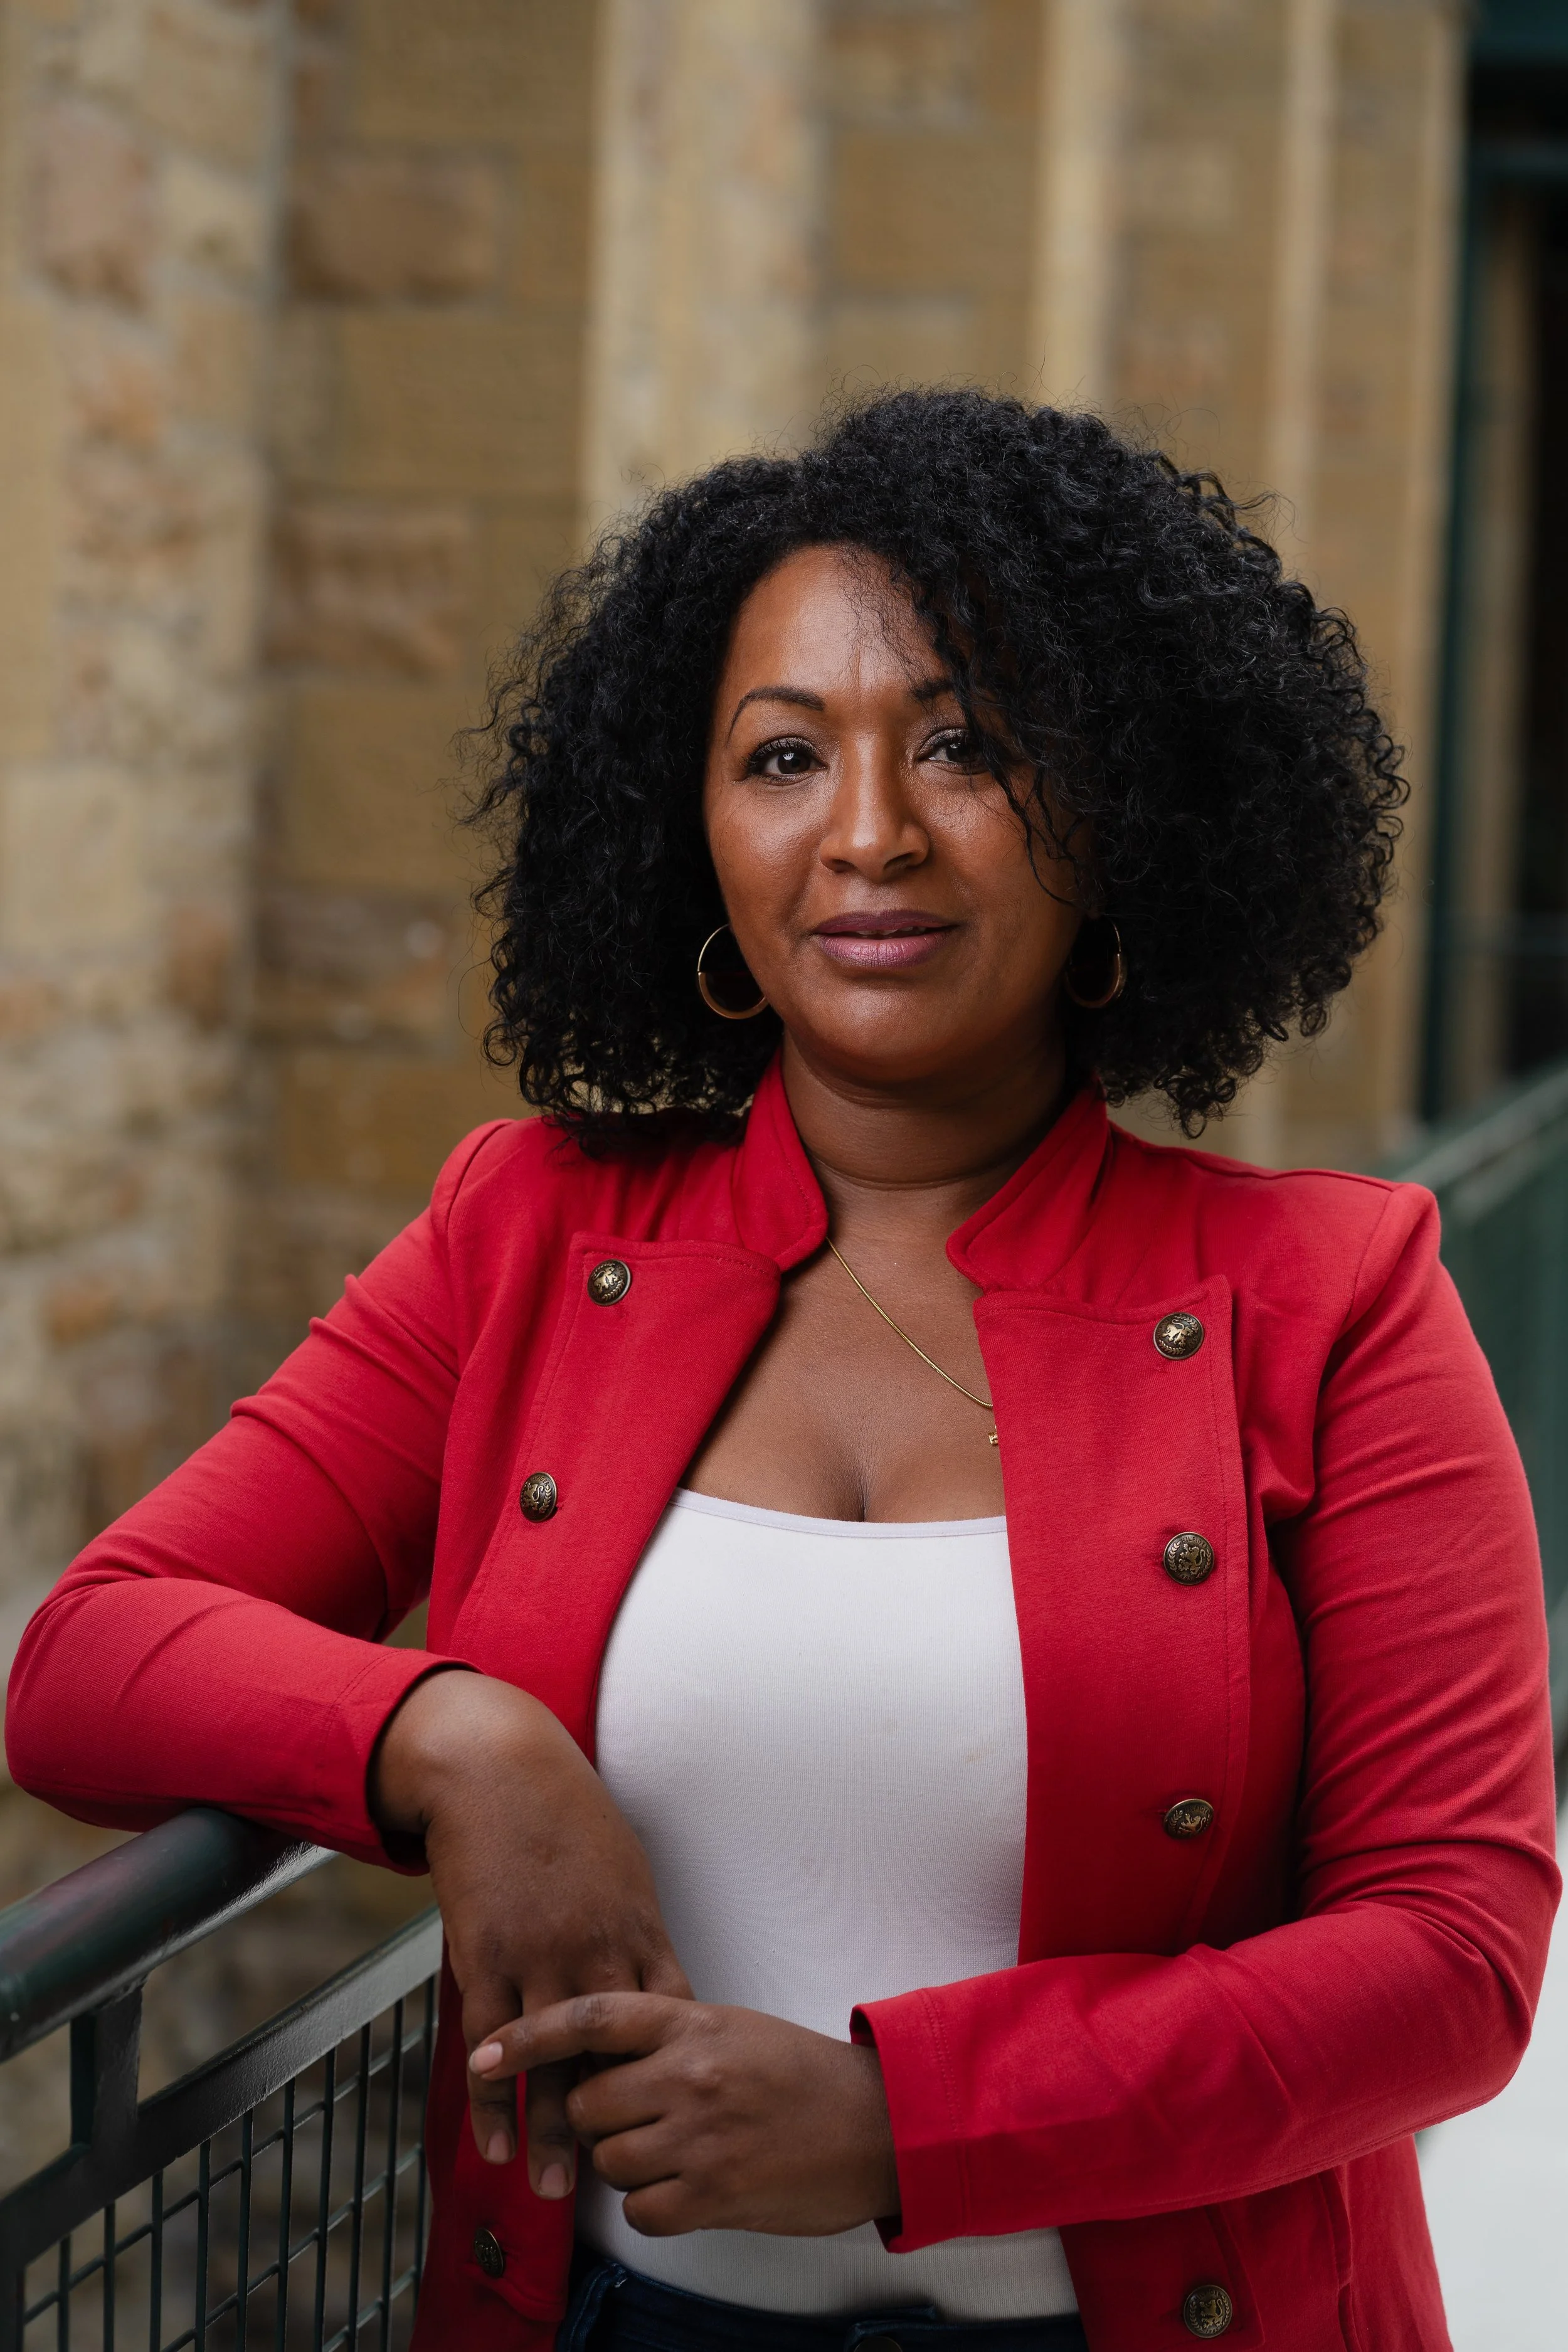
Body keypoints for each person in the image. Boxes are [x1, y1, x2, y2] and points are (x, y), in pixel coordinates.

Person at [7, 391, 1559, 2352]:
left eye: (967, 745)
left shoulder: (1332, 1298)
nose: (869, 832)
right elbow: (90, 1658)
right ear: (694, 831)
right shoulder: (523, 1231)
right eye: (782, 755)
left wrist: (903, 2121)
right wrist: (460, 1738)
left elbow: (1448, 1957)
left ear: (1119, 811)